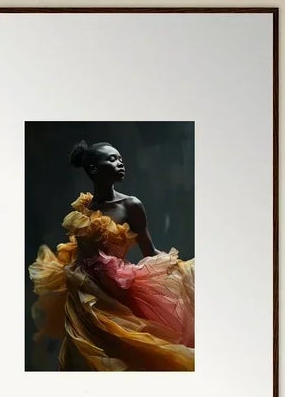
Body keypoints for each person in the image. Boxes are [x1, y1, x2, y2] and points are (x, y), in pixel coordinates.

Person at [28, 139, 195, 371]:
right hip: (82, 293)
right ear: (94, 169)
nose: (120, 163)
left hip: (115, 291)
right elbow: (83, 249)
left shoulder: (131, 205)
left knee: (125, 352)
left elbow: (149, 250)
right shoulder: (84, 208)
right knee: (83, 356)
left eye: (121, 159)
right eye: (112, 159)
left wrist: (181, 268)